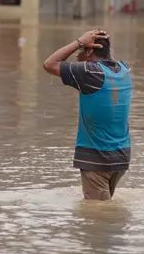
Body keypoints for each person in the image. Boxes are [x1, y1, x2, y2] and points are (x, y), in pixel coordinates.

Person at [42, 30, 133, 201]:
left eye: (81, 49)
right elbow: (108, 61)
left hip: (97, 158)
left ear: (90, 50)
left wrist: (78, 41)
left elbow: (49, 64)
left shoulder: (90, 72)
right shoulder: (124, 69)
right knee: (105, 213)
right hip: (121, 157)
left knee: (97, 218)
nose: (77, 54)